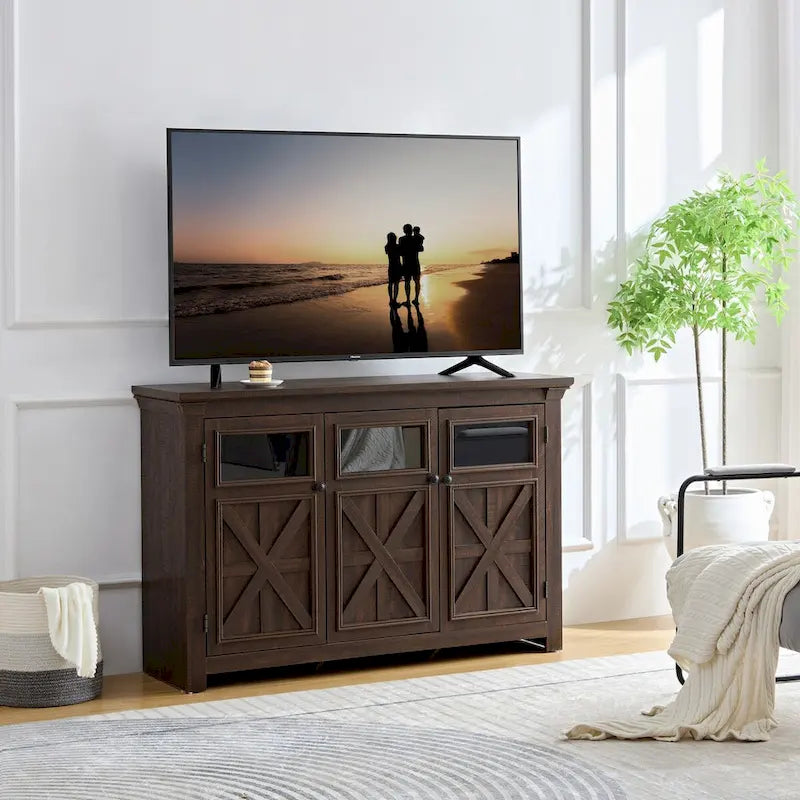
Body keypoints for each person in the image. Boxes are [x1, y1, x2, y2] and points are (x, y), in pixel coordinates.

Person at [398, 223, 423, 305]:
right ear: (411, 230)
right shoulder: (416, 238)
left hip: (406, 263)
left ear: (405, 230)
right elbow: (421, 247)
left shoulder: (401, 239)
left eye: (404, 229)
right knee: (417, 281)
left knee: (407, 282)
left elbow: (400, 252)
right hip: (415, 262)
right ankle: (416, 299)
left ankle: (408, 300)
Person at [384, 232, 402, 304]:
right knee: (396, 284)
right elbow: (401, 253)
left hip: (391, 266)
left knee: (390, 283)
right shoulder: (398, 246)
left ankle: (391, 299)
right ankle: (395, 299)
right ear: (395, 238)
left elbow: (387, 253)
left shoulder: (387, 247)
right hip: (397, 265)